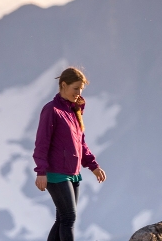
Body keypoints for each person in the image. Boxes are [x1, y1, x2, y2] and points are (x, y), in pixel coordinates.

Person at [33, 67, 107, 241]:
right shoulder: (51, 110)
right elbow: (41, 143)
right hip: (56, 174)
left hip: (73, 174)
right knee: (69, 218)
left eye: (80, 90)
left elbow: (80, 144)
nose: (78, 93)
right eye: (75, 89)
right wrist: (41, 171)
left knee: (62, 219)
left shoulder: (74, 112)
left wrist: (93, 166)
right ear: (63, 85)